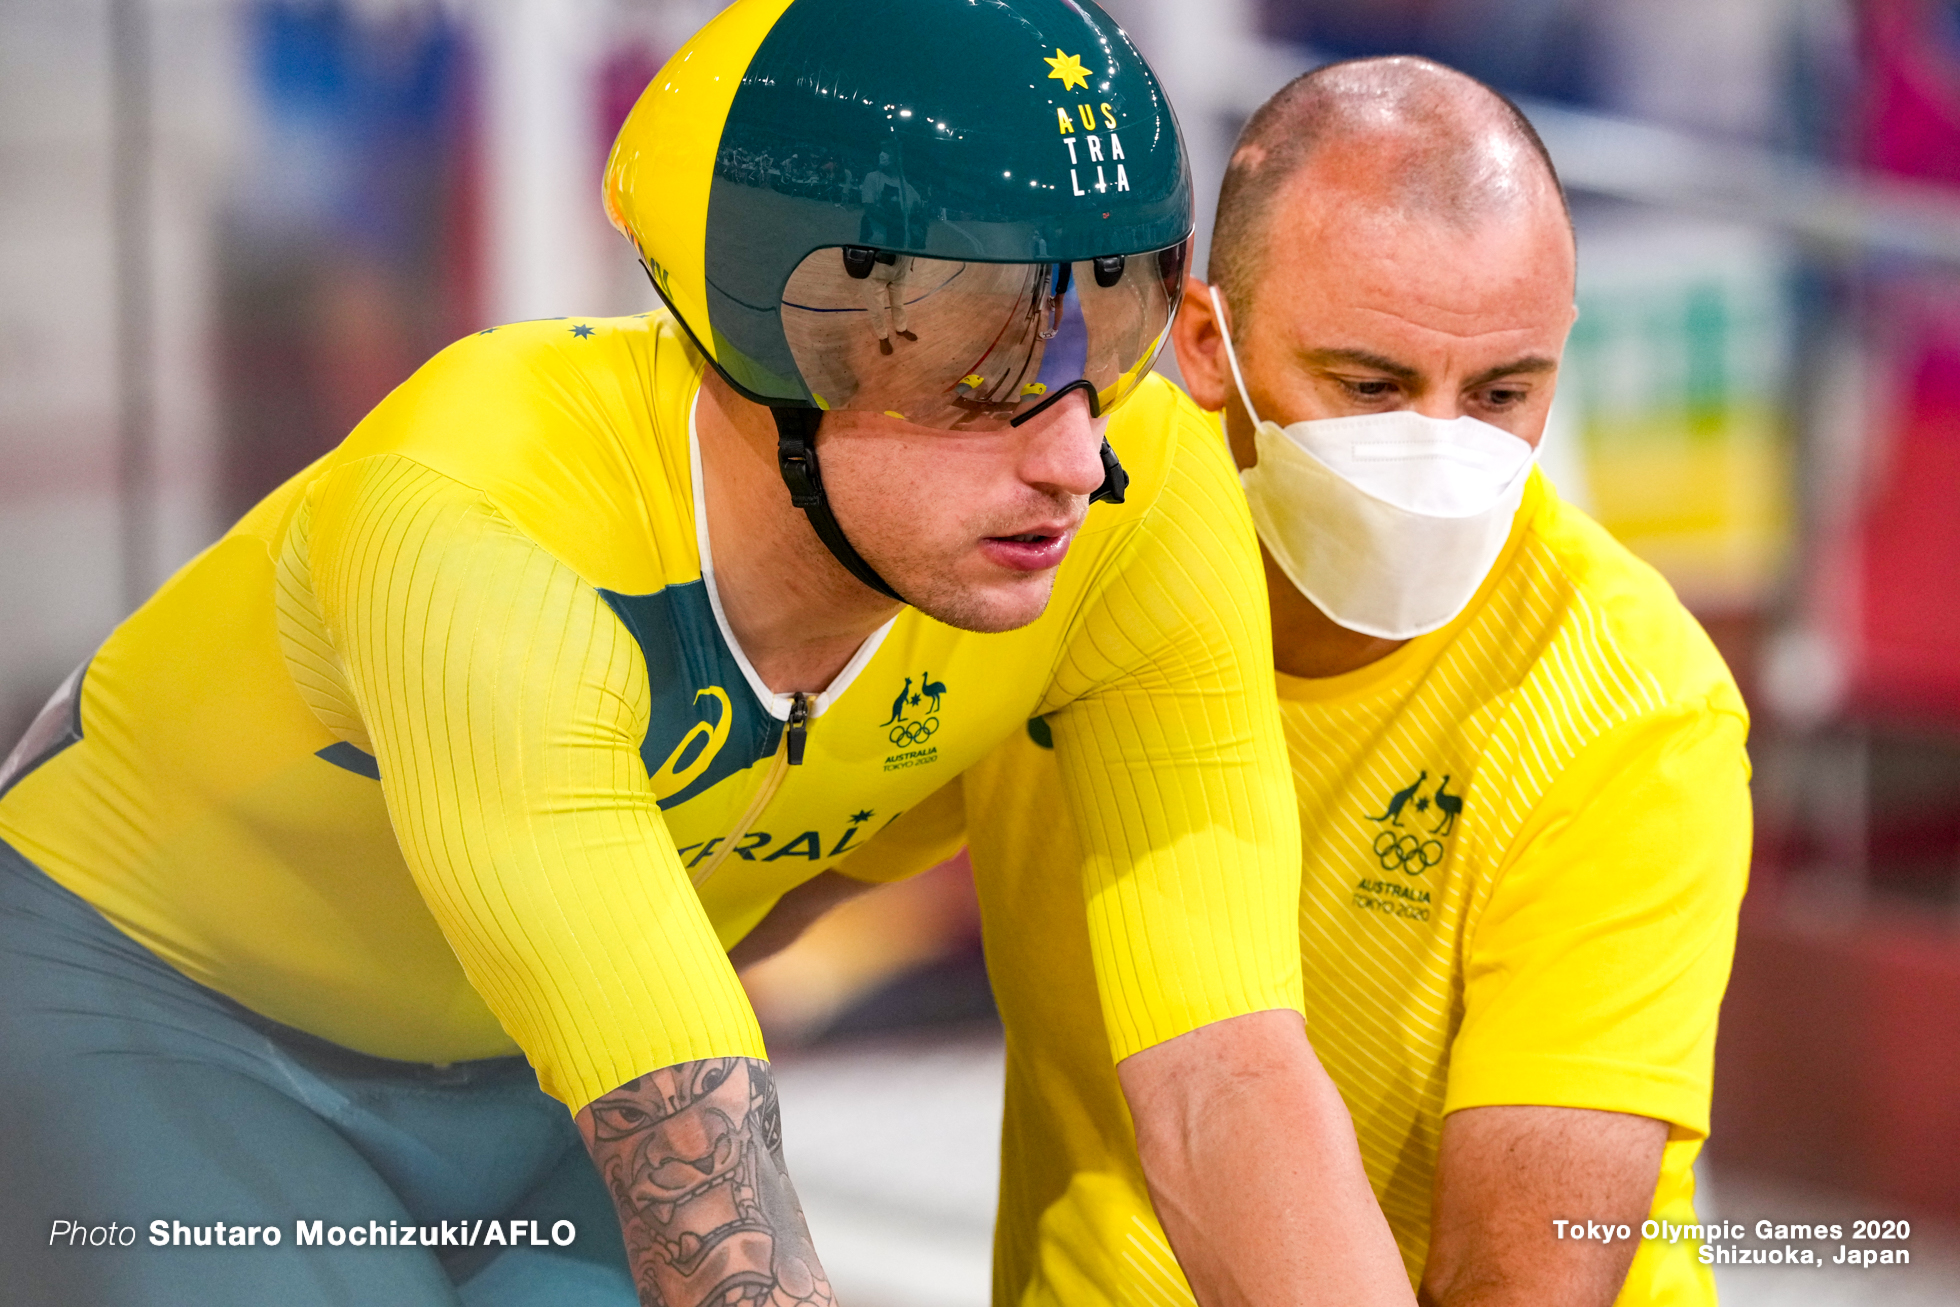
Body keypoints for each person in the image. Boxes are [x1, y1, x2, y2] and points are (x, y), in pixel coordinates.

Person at [0, 3, 1413, 1306]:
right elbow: (709, 1192)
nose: (1074, 456)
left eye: (1112, 326)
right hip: (163, 1017)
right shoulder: (487, 519)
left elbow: (1225, 1073)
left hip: (531, 1072)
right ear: (777, 340)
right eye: (980, 362)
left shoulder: (1139, 503)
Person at [785, 54, 1751, 1306]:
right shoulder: (1065, 526)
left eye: (1504, 393)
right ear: (1204, 344)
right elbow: (787, 857)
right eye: (1369, 386)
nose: (1437, 450)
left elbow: (1524, 1279)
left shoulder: (1631, 705)